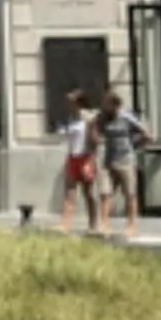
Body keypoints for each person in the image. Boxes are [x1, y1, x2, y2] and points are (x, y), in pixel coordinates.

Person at [96, 92, 153, 239]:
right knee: (105, 193)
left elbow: (147, 134)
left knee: (129, 194)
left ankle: (131, 225)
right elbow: (96, 132)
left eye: (109, 105)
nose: (107, 108)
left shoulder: (126, 117)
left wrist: (136, 146)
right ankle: (104, 224)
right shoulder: (103, 118)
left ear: (116, 105)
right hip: (108, 161)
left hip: (126, 160)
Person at [57, 88, 101, 236]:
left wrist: (91, 160)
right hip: (73, 157)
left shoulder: (88, 119)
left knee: (88, 193)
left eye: (72, 102)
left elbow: (95, 141)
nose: (69, 105)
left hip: (85, 157)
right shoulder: (71, 119)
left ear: (80, 103)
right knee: (69, 193)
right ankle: (65, 224)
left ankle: (93, 223)